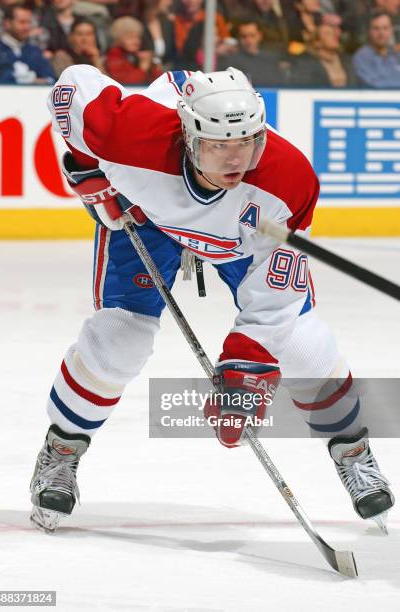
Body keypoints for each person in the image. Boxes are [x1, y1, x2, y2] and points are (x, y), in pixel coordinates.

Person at [29, 64, 394, 533]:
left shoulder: (286, 180)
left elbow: (274, 294)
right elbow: (72, 84)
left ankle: (353, 450)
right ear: (187, 136)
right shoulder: (129, 136)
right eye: (218, 145)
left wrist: (245, 365)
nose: (234, 159)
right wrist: (85, 161)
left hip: (241, 235)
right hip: (148, 215)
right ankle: (63, 448)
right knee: (119, 339)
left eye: (247, 142)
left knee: (303, 345)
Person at [0, 2, 55, 84]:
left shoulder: (35, 51)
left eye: (29, 22)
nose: (27, 27)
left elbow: (50, 79)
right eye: (22, 22)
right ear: (7, 24)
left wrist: (36, 81)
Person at [290, 13, 356, 86]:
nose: (334, 35)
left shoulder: (347, 60)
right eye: (328, 33)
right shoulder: (305, 63)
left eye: (334, 32)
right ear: (317, 42)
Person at [217, 20, 285, 86]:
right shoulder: (229, 62)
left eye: (252, 35)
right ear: (239, 38)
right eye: (244, 36)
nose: (248, 40)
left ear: (260, 36)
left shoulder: (271, 60)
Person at [106, 16, 162, 85]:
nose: (136, 42)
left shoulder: (136, 55)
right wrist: (143, 68)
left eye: (138, 37)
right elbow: (126, 83)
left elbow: (159, 81)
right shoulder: (114, 56)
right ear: (118, 39)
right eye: (130, 37)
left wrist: (153, 67)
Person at [353, 10, 400, 87]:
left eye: (385, 28)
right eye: (376, 28)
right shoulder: (361, 57)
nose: (381, 33)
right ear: (369, 31)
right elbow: (375, 87)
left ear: (391, 30)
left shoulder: (397, 55)